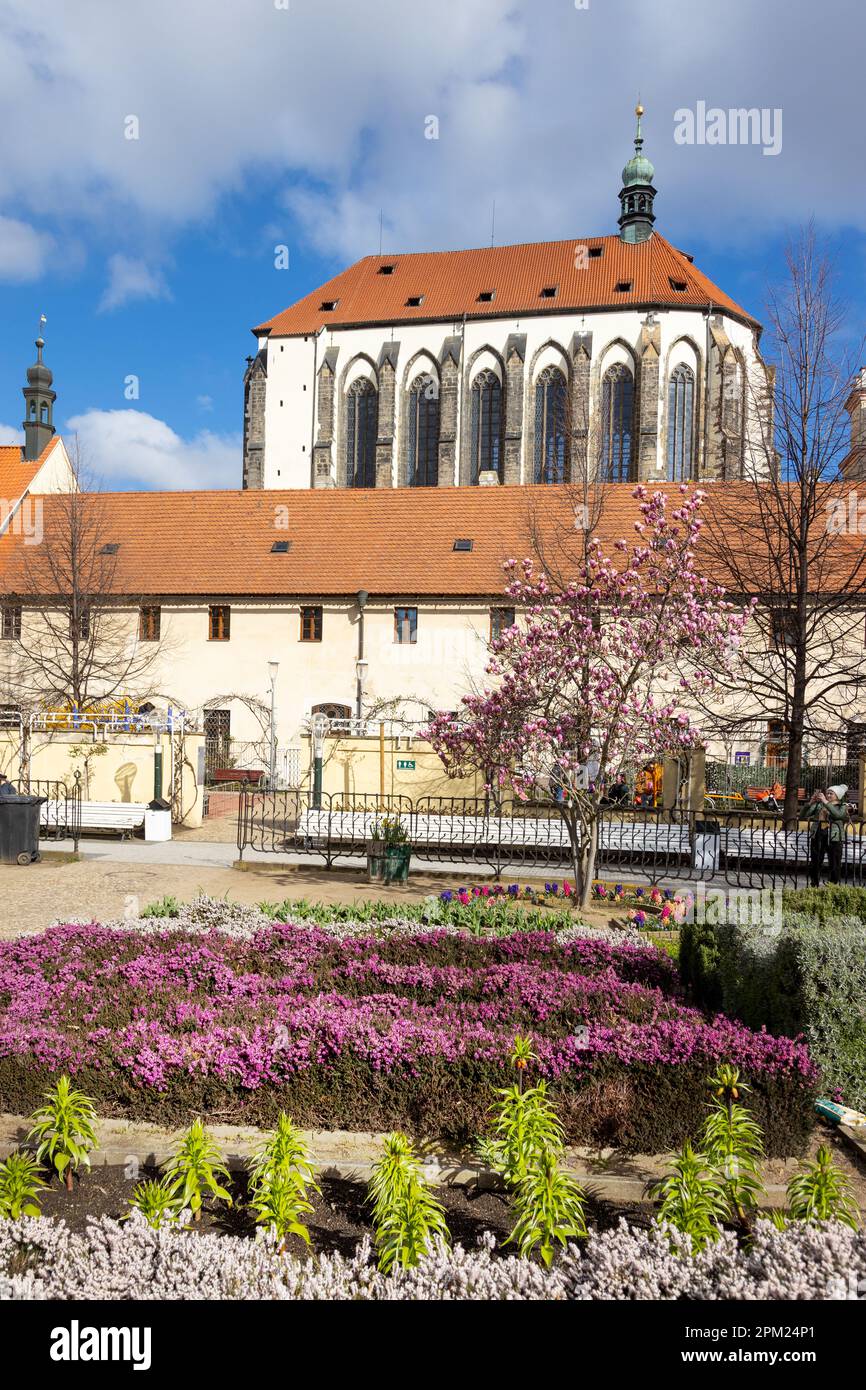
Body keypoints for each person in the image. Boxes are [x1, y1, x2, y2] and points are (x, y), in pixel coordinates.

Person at [805, 784, 849, 887]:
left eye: (831, 793)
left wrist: (825, 802)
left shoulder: (842, 806)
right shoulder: (820, 805)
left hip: (834, 836)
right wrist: (811, 803)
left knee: (834, 863)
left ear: (838, 795)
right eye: (827, 793)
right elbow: (804, 815)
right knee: (815, 861)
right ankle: (814, 884)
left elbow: (837, 815)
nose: (828, 795)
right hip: (819, 834)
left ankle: (832, 886)